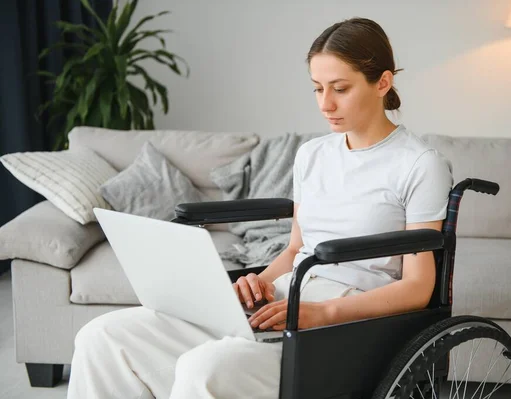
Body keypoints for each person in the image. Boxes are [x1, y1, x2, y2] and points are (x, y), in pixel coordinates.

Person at [66, 17, 453, 399]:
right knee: (103, 338)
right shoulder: (312, 155)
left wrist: (323, 313)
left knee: (204, 368)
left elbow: (419, 287)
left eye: (340, 88)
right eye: (317, 89)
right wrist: (260, 285)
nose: (325, 104)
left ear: (382, 82)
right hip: (287, 300)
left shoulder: (419, 164)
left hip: (348, 327)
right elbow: (293, 250)